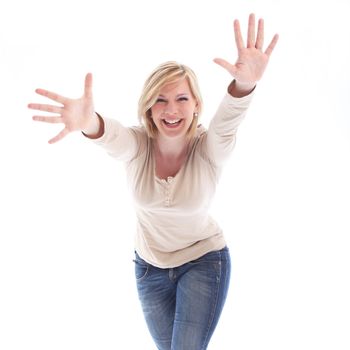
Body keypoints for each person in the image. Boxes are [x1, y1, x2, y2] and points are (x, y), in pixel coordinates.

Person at [29, 13, 278, 350]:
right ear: (148, 107)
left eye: (181, 99)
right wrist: (89, 122)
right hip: (150, 269)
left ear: (196, 106)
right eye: (160, 99)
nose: (170, 109)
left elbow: (227, 123)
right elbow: (112, 136)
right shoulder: (138, 145)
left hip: (204, 262)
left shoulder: (209, 149)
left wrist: (244, 85)